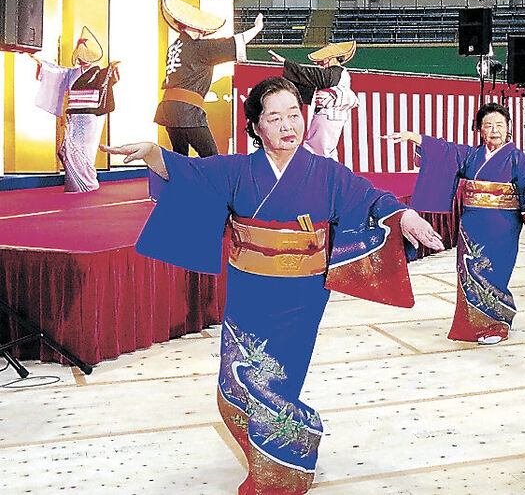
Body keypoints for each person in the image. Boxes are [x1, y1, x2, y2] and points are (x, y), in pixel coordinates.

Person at [102, 76, 444, 494]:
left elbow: (370, 198)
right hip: (248, 289)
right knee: (237, 380)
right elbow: (190, 171)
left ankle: (281, 474)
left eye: (295, 114)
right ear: (256, 127)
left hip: (303, 294)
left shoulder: (327, 173)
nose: (288, 125)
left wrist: (404, 217)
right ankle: (282, 456)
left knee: (276, 379)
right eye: (274, 117)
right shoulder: (238, 169)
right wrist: (154, 153)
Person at [389, 103, 525, 344]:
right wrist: (413, 137)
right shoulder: (472, 155)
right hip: (472, 222)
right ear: (480, 130)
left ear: (508, 129)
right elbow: (445, 151)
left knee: (495, 272)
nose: (494, 130)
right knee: (469, 271)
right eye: (488, 125)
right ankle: (472, 324)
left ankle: (497, 324)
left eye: (500, 125)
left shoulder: (516, 157)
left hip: (503, 224)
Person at [155, 0, 264, 157]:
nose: (203, 32)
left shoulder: (174, 47)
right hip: (187, 111)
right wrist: (257, 28)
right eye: (200, 28)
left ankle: (180, 182)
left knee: (179, 156)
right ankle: (211, 183)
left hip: (168, 109)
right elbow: (232, 43)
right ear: (191, 26)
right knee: (211, 156)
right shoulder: (199, 48)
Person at [33, 26, 120, 192]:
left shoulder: (100, 72)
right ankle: (75, 184)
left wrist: (111, 70)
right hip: (73, 115)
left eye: (86, 56)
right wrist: (41, 64)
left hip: (90, 116)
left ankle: (88, 183)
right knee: (68, 149)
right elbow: (55, 72)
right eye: (80, 56)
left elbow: (110, 81)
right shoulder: (71, 73)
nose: (82, 60)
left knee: (85, 151)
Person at [268, 41, 358, 159]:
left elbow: (309, 74)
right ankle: (332, 175)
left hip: (328, 115)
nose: (321, 63)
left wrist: (285, 62)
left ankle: (315, 175)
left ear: (330, 58)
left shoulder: (334, 72)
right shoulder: (338, 74)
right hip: (332, 115)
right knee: (326, 150)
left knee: (316, 150)